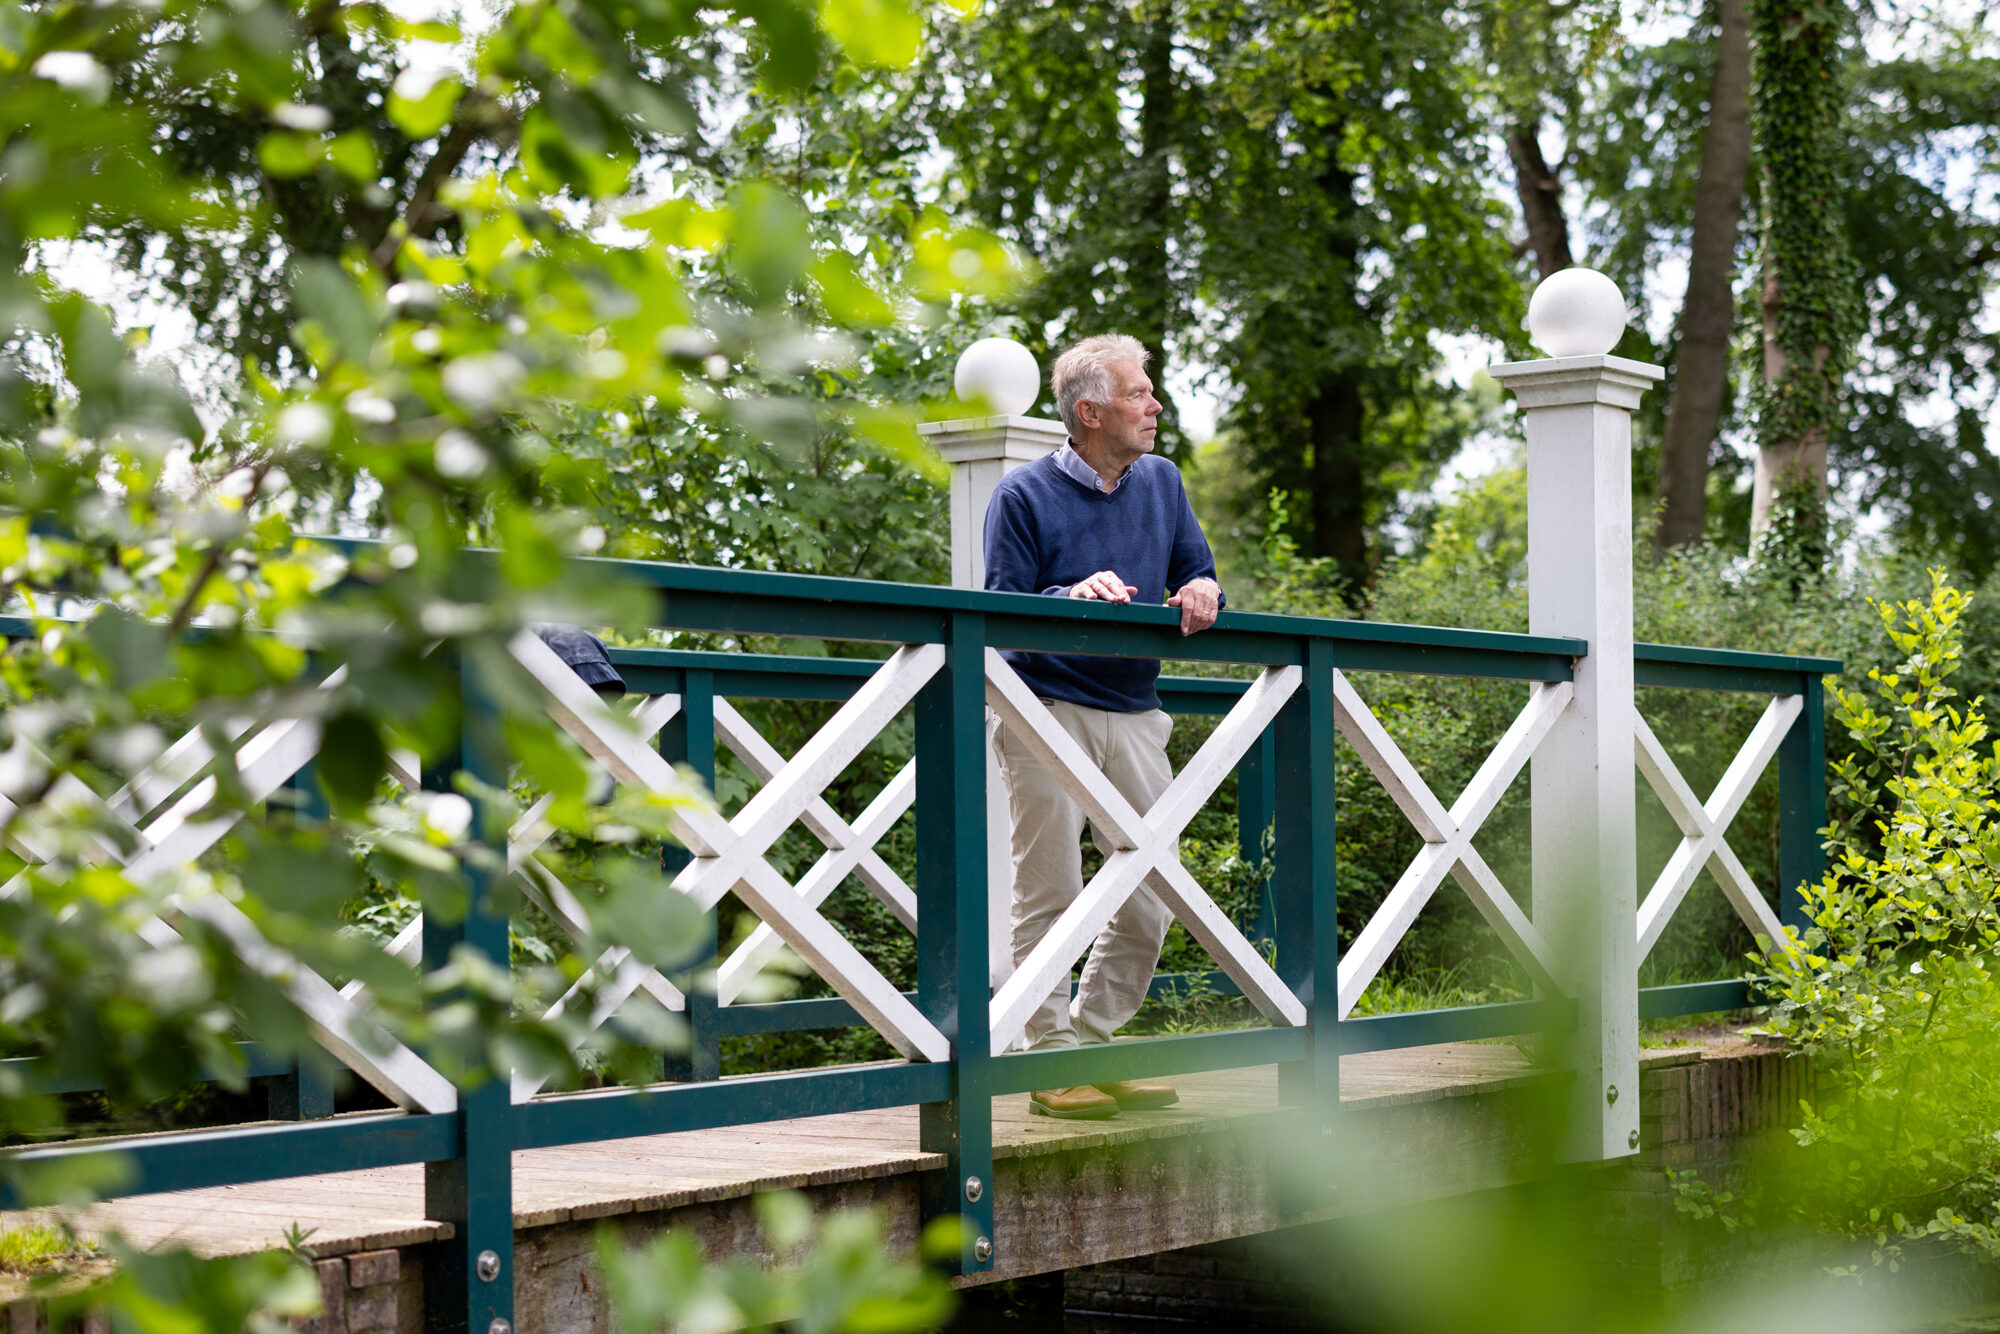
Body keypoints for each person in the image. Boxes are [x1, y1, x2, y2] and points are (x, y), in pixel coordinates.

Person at [982, 334, 1224, 1120]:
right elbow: (1001, 613)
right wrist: (1068, 595)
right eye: (1138, 395)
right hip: (1043, 705)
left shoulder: (1162, 481)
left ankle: (1091, 1037)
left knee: (1154, 887)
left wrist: (1200, 590)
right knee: (1050, 888)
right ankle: (1043, 1054)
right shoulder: (1021, 496)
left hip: (1134, 708)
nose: (1154, 406)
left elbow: (1197, 567)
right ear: (1090, 412)